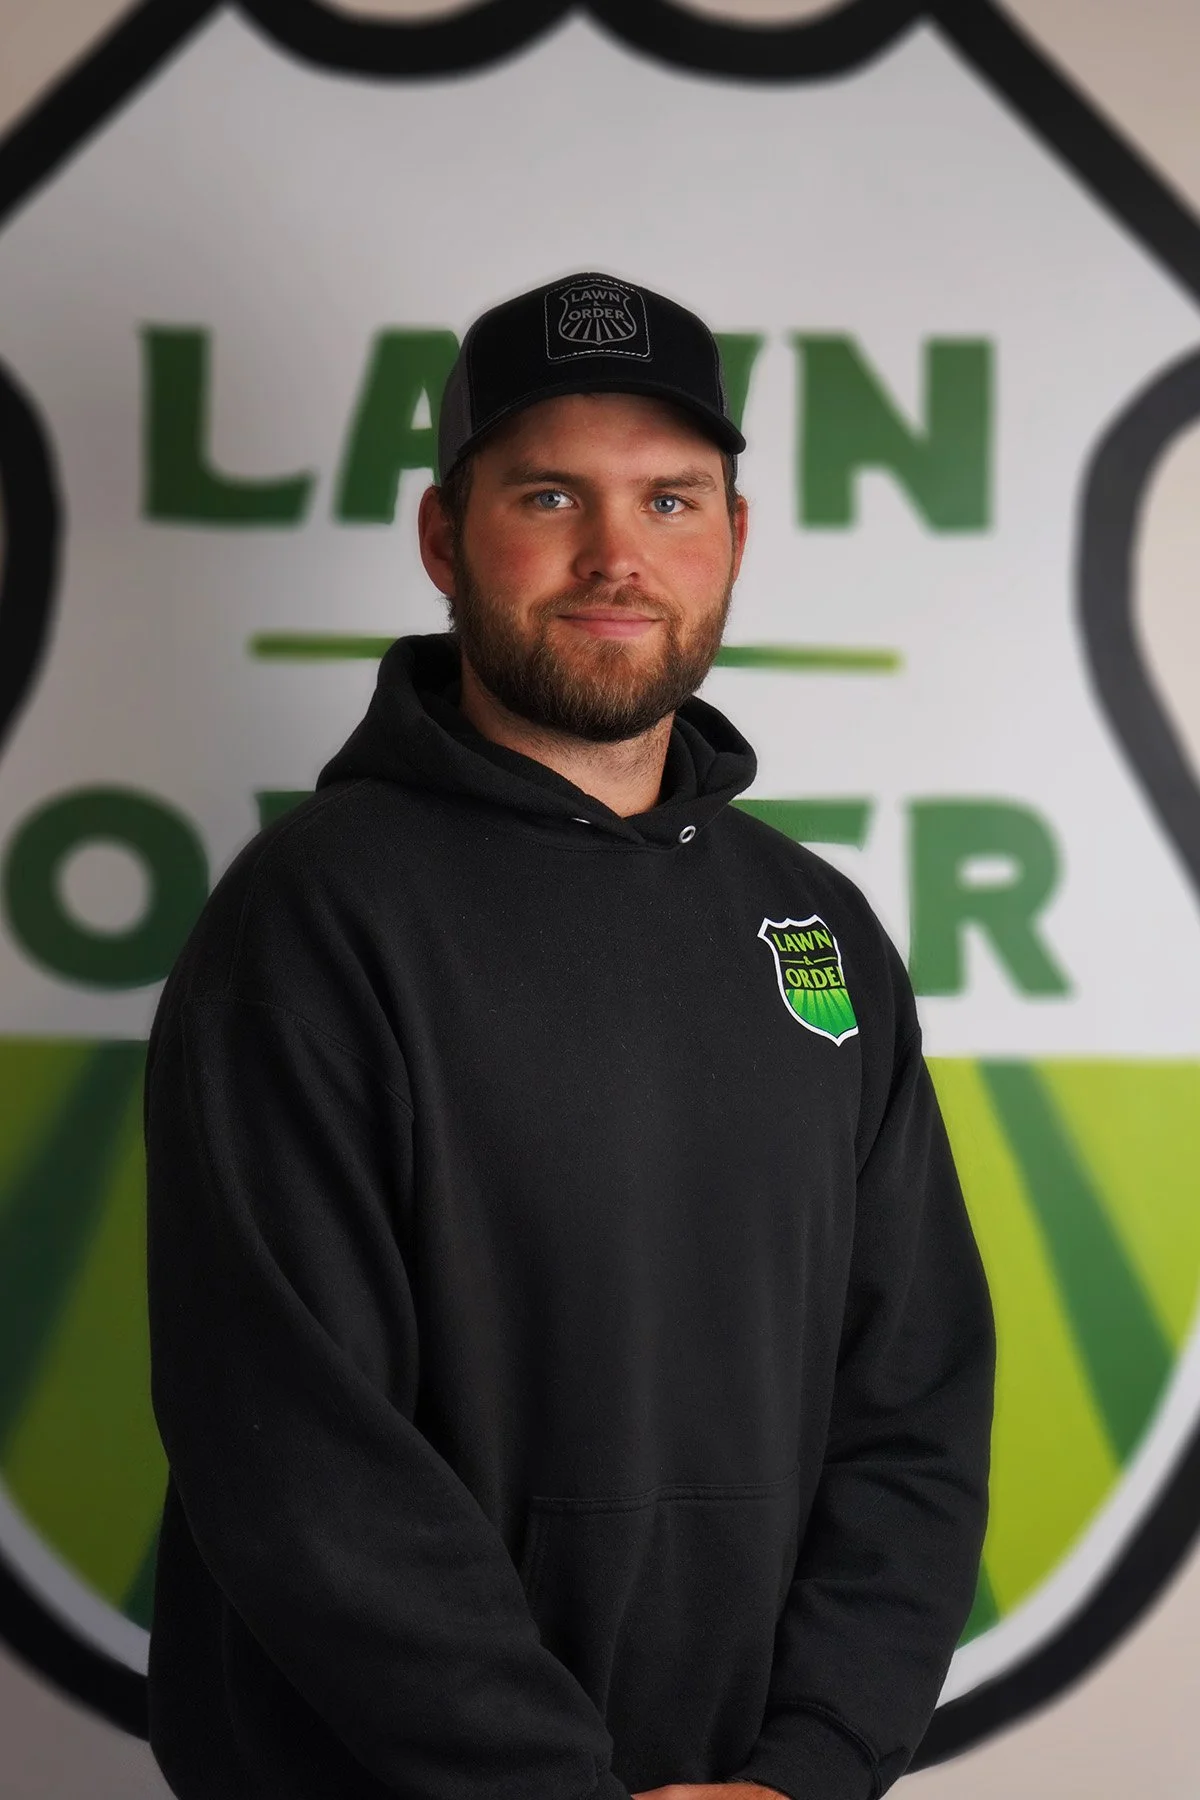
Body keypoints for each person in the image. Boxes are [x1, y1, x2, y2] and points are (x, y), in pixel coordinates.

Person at [144, 272, 995, 1800]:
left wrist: (808, 1766)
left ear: (734, 538)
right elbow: (297, 1459)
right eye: (551, 494)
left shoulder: (819, 931)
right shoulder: (313, 920)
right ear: (441, 538)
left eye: (672, 501)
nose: (619, 556)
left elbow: (915, 1405)